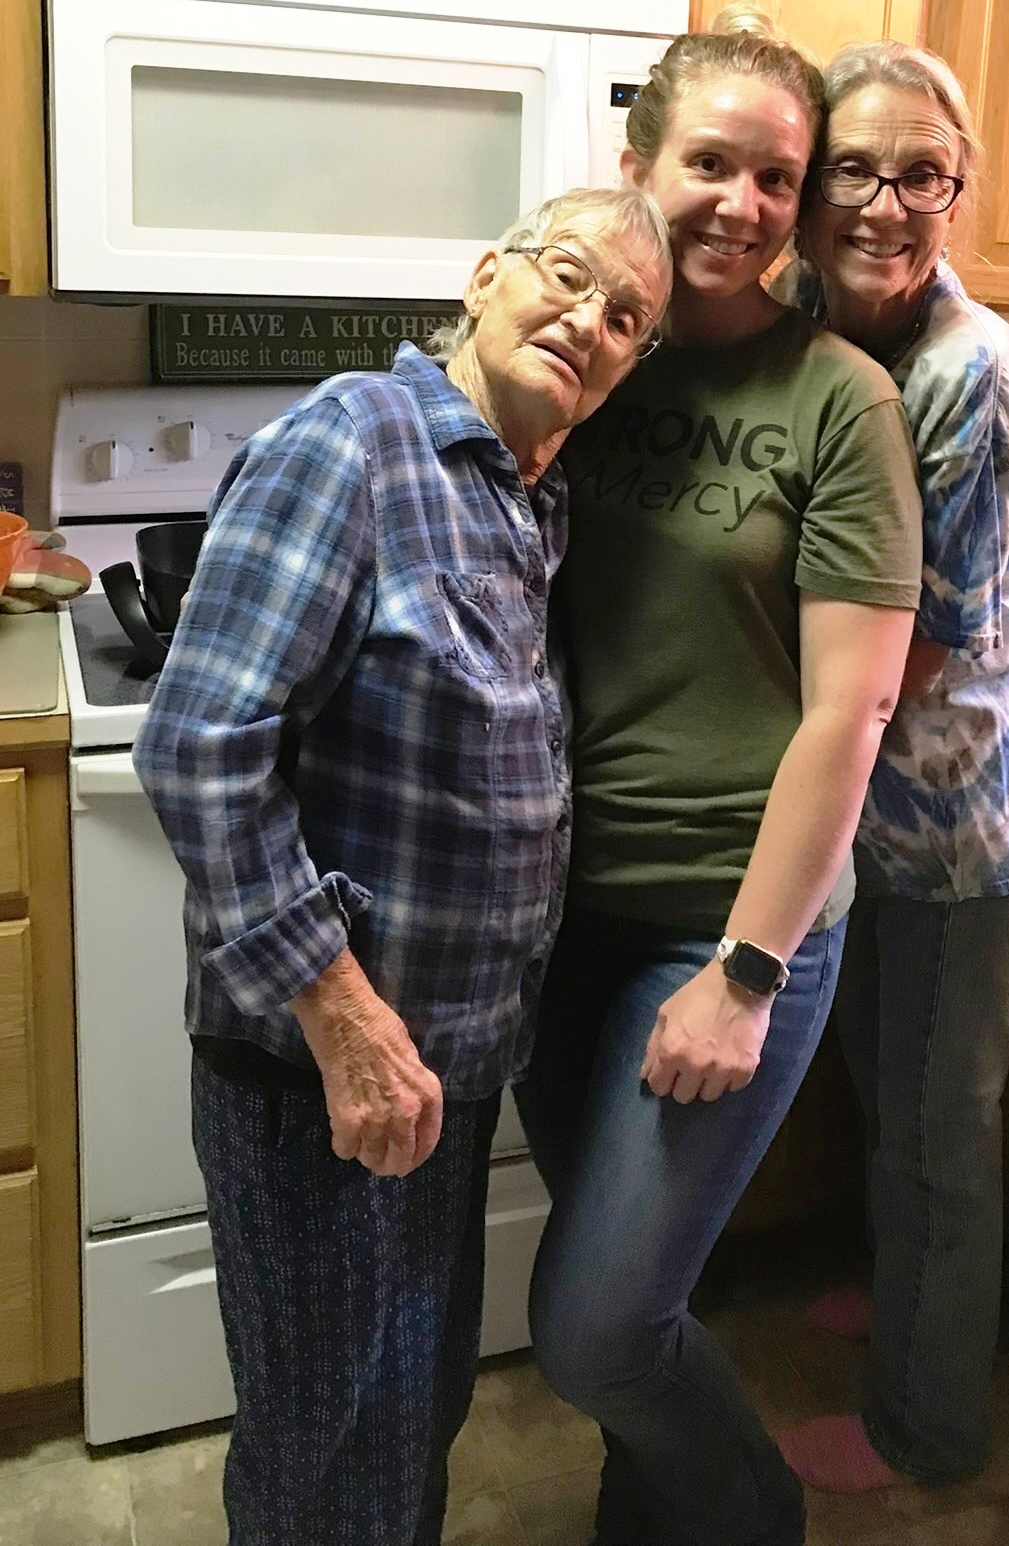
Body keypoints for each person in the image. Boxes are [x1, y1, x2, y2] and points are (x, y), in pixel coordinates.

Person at [132, 186, 672, 1546]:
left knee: (406, 1421)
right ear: (485, 278)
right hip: (323, 1074)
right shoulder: (354, 445)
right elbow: (198, 746)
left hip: (440, 1072)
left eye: (626, 318)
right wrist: (346, 1020)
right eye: (567, 275)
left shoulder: (522, 494)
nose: (589, 321)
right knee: (330, 1460)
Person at [515, 13, 925, 1546]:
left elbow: (851, 712)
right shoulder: (587, 360)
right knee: (635, 1299)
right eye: (710, 163)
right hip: (560, 920)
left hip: (727, 927)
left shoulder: (838, 402)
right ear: (639, 164)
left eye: (777, 177)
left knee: (596, 1329)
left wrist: (747, 975)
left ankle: (756, 1514)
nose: (742, 206)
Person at [774, 41, 1009, 1496]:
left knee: (942, 1130)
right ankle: (911, 1305)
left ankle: (927, 1426)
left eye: (924, 176)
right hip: (871, 807)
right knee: (886, 1096)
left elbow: (929, 649)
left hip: (960, 817)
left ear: (960, 195)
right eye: (856, 169)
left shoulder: (968, 374)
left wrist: (764, 742)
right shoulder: (817, 329)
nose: (886, 206)